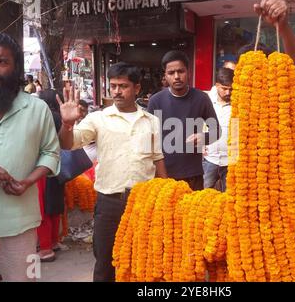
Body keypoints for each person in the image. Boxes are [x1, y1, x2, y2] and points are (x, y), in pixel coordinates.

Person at [0, 31, 60, 282]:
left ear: (16, 67)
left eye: (2, 61)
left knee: (27, 279)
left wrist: (27, 182)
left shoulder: (37, 109)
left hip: (22, 223)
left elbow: (50, 153)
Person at [56, 62, 167, 282]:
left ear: (137, 88)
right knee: (105, 261)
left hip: (143, 202)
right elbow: (68, 144)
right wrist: (67, 125)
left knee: (141, 261)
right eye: (113, 85)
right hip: (109, 202)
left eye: (123, 86)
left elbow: (157, 159)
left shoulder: (151, 121)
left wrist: (167, 192)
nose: (116, 91)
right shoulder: (99, 119)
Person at [147, 51, 220, 191]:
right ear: (165, 75)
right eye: (171, 72)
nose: (176, 77)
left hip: (193, 175)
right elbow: (148, 139)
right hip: (164, 175)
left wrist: (204, 137)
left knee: (193, 212)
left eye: (181, 71)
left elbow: (216, 130)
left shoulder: (201, 98)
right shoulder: (156, 101)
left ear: (188, 72)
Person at [36, 89, 66, 262]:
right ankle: (54, 241)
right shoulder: (60, 117)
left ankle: (46, 248)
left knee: (43, 209)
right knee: (53, 207)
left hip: (44, 167)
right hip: (58, 166)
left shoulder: (45, 116)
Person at [203, 67, 234, 192]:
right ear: (216, 85)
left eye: (231, 89)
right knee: (205, 194)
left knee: (230, 196)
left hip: (231, 161)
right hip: (210, 158)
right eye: (224, 88)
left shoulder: (239, 103)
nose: (228, 93)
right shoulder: (206, 100)